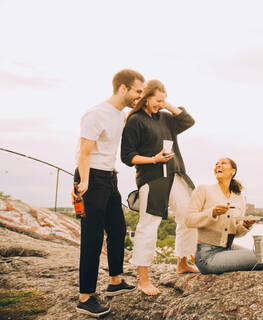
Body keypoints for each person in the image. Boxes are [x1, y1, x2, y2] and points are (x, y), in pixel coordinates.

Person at [72, 69, 144, 317]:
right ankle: (85, 297)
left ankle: (115, 281)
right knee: (92, 238)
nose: (139, 96)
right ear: (123, 88)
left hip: (109, 177)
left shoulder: (119, 114)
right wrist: (83, 182)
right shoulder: (96, 114)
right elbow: (84, 151)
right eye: (137, 91)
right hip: (90, 178)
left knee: (117, 230)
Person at [121, 79, 198, 296]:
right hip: (152, 179)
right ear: (145, 99)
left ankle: (182, 262)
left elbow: (189, 121)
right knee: (148, 226)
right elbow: (127, 156)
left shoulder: (166, 117)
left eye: (164, 100)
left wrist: (168, 106)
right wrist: (153, 159)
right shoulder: (135, 121)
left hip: (176, 174)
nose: (161, 104)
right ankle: (143, 279)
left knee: (188, 217)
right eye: (157, 100)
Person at [185, 158, 263, 274]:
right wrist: (212, 213)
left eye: (223, 163)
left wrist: (245, 226)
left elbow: (236, 232)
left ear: (233, 171)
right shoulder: (203, 190)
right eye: (216, 164)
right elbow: (188, 220)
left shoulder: (239, 198)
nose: (218, 166)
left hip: (228, 248)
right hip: (206, 255)